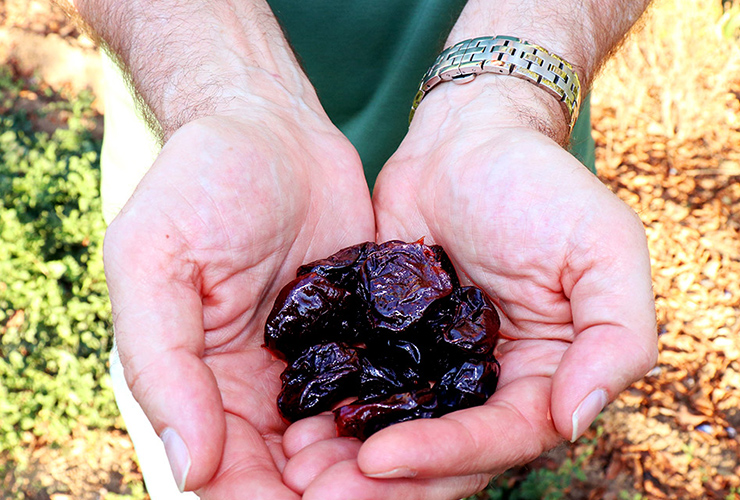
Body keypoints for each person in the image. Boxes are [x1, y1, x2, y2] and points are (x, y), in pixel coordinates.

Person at [61, 0, 659, 499]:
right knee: (201, 436)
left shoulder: (421, 298)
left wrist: (503, 102)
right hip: (212, 213)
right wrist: (229, 92)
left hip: (497, 184)